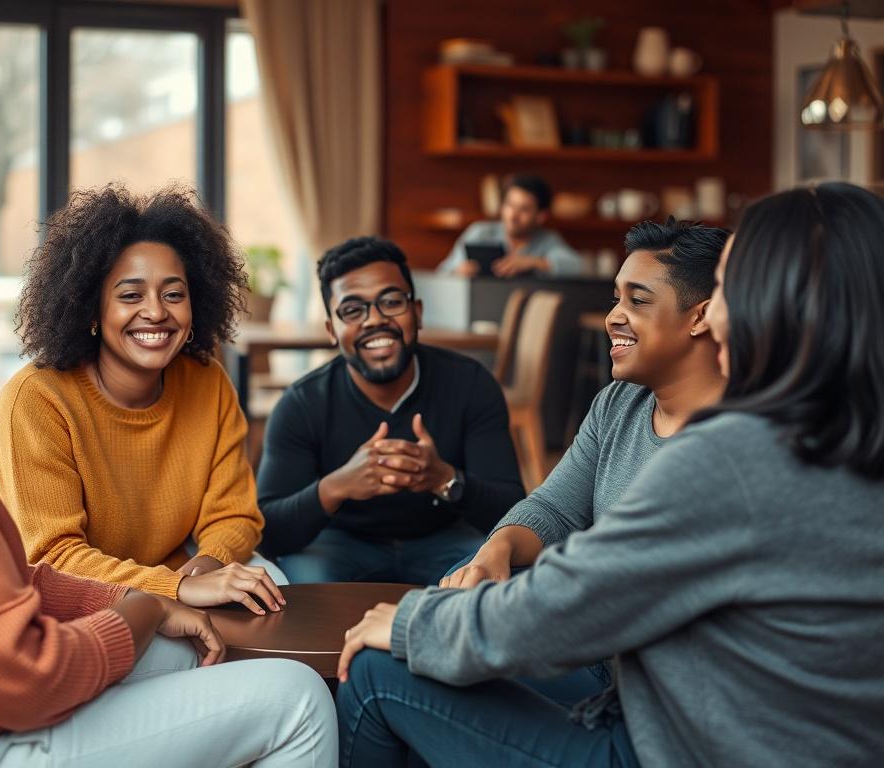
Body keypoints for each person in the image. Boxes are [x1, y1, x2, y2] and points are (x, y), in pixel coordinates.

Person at [335, 182, 884, 767]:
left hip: (677, 744)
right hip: (728, 721)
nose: (722, 306)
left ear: (769, 299)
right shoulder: (836, 438)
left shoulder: (734, 459)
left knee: (379, 669)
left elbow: (565, 607)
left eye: (730, 284)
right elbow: (562, 526)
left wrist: (412, 624)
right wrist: (495, 552)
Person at [0, 113, 336, 768]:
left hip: (0, 685)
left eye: (174, 293)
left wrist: (172, 586)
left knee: (241, 617)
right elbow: (30, 653)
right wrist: (146, 607)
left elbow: (14, 582)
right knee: (296, 697)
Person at [442, 217, 729, 705]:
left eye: (637, 301)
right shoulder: (620, 403)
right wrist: (497, 548)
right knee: (453, 587)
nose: (614, 316)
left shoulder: (737, 444)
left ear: (701, 317)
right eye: (615, 299)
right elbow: (556, 508)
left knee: (399, 666)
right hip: (591, 646)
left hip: (651, 690)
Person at [0, 184, 287, 617]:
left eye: (173, 293)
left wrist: (207, 569)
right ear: (91, 310)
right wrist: (177, 588)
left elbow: (234, 514)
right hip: (58, 603)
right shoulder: (35, 400)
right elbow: (55, 557)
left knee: (273, 585)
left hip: (166, 577)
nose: (156, 312)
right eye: (130, 295)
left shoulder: (207, 382)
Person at [257, 236, 524, 584]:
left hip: (446, 539)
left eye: (391, 301)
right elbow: (268, 532)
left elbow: (514, 512)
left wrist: (446, 479)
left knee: (500, 575)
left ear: (417, 312)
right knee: (301, 586)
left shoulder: (471, 385)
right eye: (353, 310)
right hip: (339, 544)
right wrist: (335, 487)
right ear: (332, 331)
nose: (375, 320)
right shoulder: (303, 403)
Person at [437, 173, 582, 278]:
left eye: (524, 209)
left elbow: (576, 266)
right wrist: (457, 272)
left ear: (540, 216)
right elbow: (442, 273)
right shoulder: (480, 233)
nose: (513, 215)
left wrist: (533, 262)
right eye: (510, 205)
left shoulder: (547, 240)